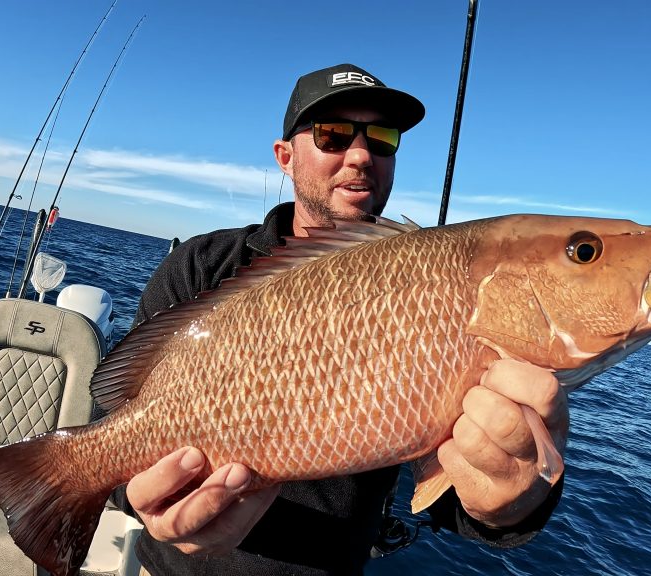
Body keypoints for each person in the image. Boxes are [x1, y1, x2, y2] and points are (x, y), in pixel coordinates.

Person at [115, 63, 570, 575]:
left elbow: (451, 501)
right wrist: (146, 505)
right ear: (285, 158)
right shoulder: (201, 269)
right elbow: (115, 444)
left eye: (381, 138)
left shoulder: (438, 291)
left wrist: (513, 502)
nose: (360, 155)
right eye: (332, 135)